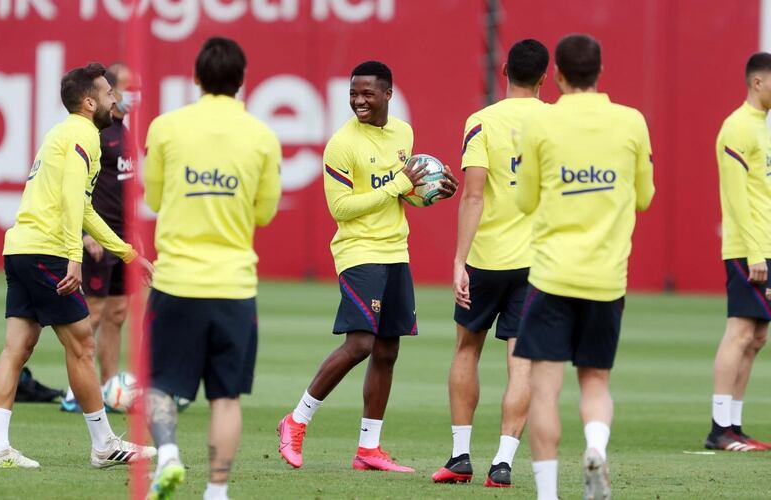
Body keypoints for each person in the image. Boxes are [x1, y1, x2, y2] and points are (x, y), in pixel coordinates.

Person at [277, 61, 458, 472]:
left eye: (367, 94)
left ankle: (368, 449)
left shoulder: (403, 134)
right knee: (360, 343)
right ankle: (295, 420)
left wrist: (431, 192)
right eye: (353, 94)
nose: (359, 101)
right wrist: (399, 185)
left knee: (388, 349)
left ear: (388, 95)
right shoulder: (341, 144)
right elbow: (340, 209)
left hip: (396, 251)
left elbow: (403, 195)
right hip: (359, 252)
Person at [0, 63, 156, 469]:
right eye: (110, 93)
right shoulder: (83, 135)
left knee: (17, 347)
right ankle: (104, 444)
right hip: (47, 251)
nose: (117, 99)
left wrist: (127, 253)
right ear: (90, 101)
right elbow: (74, 202)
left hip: (20, 246)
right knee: (82, 343)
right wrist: (74, 257)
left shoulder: (61, 133)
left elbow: (86, 208)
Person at [513, 34, 655, 500]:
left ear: (556, 75)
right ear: (600, 72)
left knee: (545, 389)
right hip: (607, 278)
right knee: (595, 382)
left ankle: (548, 494)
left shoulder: (543, 124)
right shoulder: (632, 122)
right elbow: (646, 196)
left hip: (552, 276)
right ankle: (595, 448)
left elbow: (525, 199)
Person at [143, 37, 282, 500]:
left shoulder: (166, 127)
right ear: (242, 82)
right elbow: (264, 214)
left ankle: (167, 457)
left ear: (196, 78)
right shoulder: (262, 136)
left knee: (160, 386)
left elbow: (153, 198)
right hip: (234, 286)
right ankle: (216, 491)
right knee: (225, 397)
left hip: (176, 281)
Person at [432, 39, 549, 488]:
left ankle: (461, 455)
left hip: (486, 259)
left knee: (466, 350)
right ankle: (503, 462)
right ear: (544, 77)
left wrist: (459, 260)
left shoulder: (481, 122)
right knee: (521, 363)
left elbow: (474, 194)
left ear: (504, 71)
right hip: (537, 262)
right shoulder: (556, 122)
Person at [61, 63, 139, 413]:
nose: (132, 94)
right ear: (108, 91)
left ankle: (108, 385)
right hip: (97, 234)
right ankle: (73, 388)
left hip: (122, 234)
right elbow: (75, 186)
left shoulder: (124, 130)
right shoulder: (95, 133)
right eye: (125, 87)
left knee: (119, 312)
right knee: (90, 312)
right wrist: (82, 233)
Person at [707, 52, 771, 452]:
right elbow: (735, 199)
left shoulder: (762, 128)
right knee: (740, 331)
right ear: (758, 82)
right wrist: (753, 253)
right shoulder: (736, 127)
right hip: (749, 247)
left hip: (765, 243)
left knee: (758, 336)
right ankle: (718, 427)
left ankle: (733, 424)